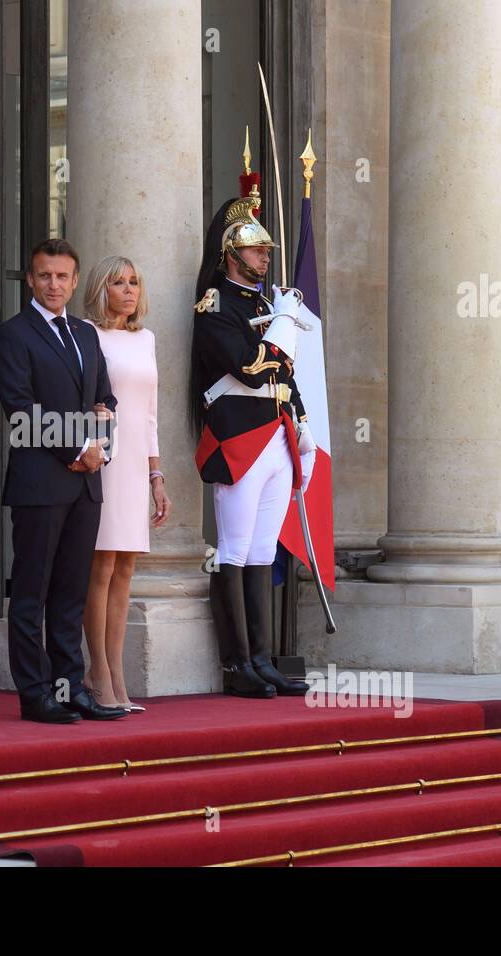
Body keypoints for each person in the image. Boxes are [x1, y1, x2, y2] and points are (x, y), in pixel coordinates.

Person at [190, 141, 311, 699]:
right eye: (256, 252)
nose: (265, 258)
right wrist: (282, 327)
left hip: (277, 437)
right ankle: (236, 664)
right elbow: (247, 364)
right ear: (231, 254)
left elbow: (286, 377)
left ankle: (261, 658)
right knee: (234, 548)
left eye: (266, 252)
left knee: (264, 550)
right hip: (239, 436)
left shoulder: (267, 302)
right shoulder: (217, 303)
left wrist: (303, 423)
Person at [0, 239, 127, 724]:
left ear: (73, 280)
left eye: (62, 276)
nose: (54, 284)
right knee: (32, 593)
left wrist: (99, 443)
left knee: (70, 594)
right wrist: (76, 446)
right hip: (40, 483)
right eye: (45, 276)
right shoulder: (13, 335)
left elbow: (105, 398)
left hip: (86, 483)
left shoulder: (86, 335)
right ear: (31, 280)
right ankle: (36, 695)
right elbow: (20, 408)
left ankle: (69, 689)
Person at [80, 256, 169, 712]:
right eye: (119, 282)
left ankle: (116, 672)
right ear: (101, 288)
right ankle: (96, 671)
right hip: (103, 457)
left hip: (136, 463)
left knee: (126, 568)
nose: (130, 289)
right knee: (101, 567)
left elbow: (150, 414)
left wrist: (156, 474)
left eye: (135, 281)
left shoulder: (146, 338)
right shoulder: (85, 334)